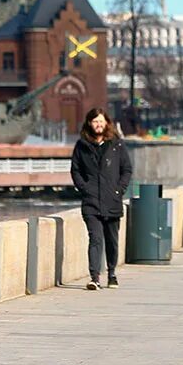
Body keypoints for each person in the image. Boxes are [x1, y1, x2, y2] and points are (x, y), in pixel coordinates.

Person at [71, 108, 133, 291]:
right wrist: (84, 188)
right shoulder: (82, 146)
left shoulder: (116, 145)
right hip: (91, 201)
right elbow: (75, 170)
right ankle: (94, 277)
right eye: (94, 121)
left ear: (106, 123)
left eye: (101, 121)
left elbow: (126, 169)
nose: (98, 125)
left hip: (112, 200)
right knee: (95, 238)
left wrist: (118, 190)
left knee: (112, 240)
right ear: (89, 123)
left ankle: (112, 273)